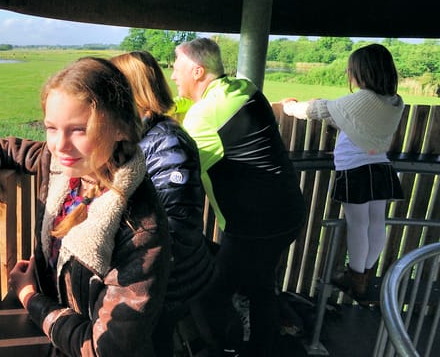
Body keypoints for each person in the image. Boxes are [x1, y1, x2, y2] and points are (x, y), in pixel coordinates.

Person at [0, 57, 171, 356]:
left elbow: (102, 349)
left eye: (79, 129)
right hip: (53, 332)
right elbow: (4, 148)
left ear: (121, 127)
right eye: (51, 128)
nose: (60, 145)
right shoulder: (59, 164)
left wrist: (30, 296)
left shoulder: (141, 227)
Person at [171, 38, 306, 357]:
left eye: (176, 69)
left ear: (197, 71)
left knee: (211, 292)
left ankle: (225, 349)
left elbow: (178, 170)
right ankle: (260, 347)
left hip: (253, 226)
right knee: (261, 287)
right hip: (287, 213)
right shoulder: (245, 88)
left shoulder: (203, 118)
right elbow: (198, 106)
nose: (173, 76)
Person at [111, 51, 214, 356]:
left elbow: (175, 224)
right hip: (159, 276)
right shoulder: (143, 134)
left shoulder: (168, 143)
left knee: (156, 344)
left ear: (130, 90)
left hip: (168, 280)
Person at [282, 43, 404, 300]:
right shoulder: (392, 101)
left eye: (351, 70)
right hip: (380, 166)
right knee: (376, 223)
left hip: (355, 170)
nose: (349, 75)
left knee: (357, 224)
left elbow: (319, 110)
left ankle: (356, 277)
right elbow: (351, 121)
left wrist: (289, 107)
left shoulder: (361, 99)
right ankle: (366, 273)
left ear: (363, 72)